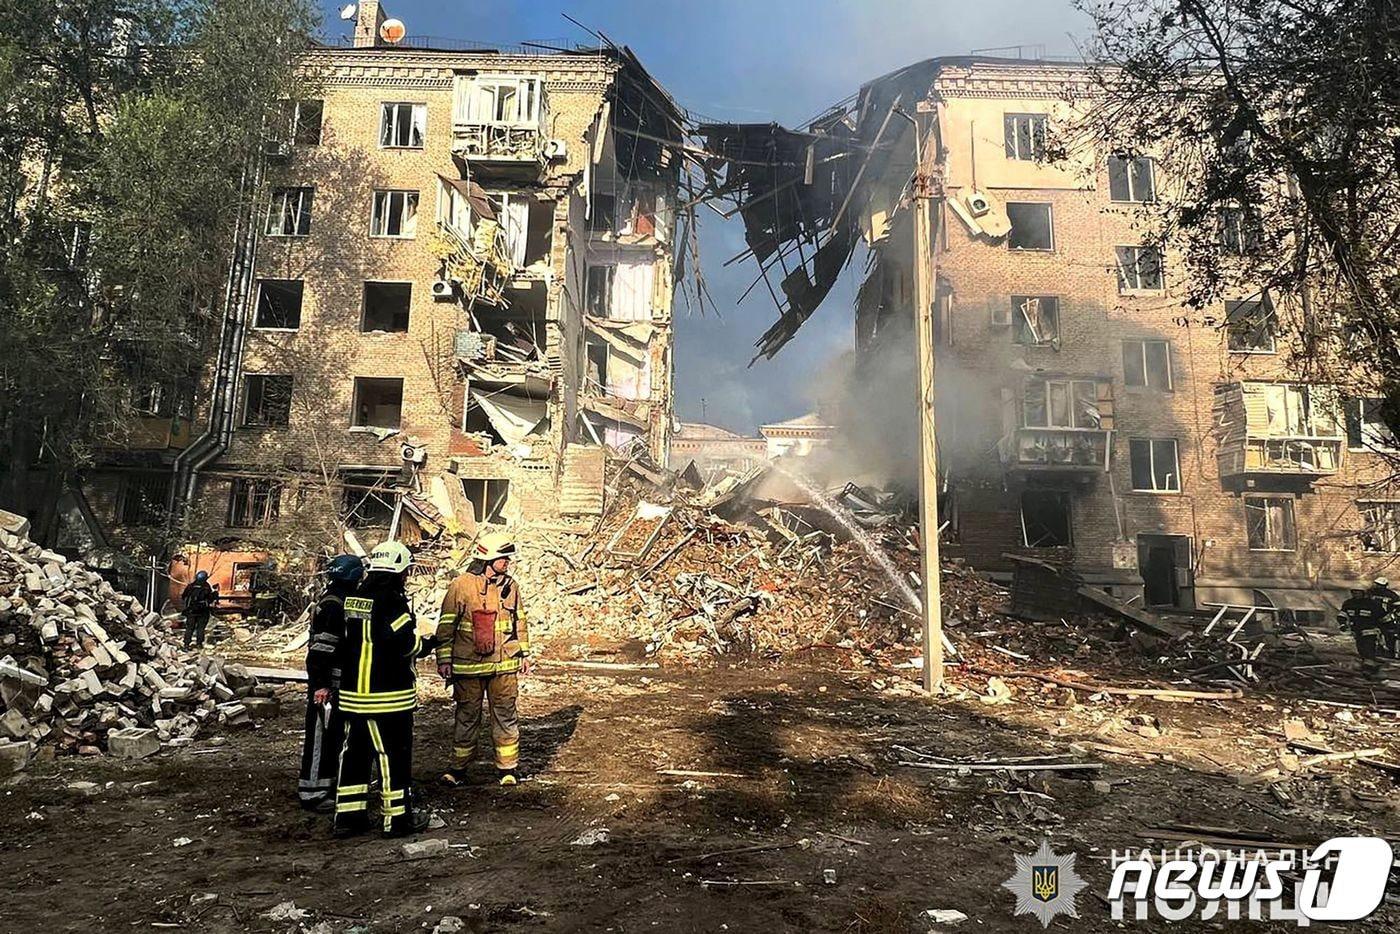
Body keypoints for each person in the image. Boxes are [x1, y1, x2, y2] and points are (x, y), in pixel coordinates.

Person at [332, 541, 430, 838]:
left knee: (354, 757)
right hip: (388, 699)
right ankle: (397, 820)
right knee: (392, 757)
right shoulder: (392, 600)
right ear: (400, 570)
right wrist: (428, 643)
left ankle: (348, 818)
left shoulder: (355, 598)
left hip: (352, 698)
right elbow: (404, 644)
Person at [435, 531, 531, 787]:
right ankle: (458, 769)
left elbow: (519, 622)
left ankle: (507, 770)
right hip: (469, 666)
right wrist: (444, 660)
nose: (508, 562)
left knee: (505, 716)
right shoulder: (461, 586)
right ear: (488, 559)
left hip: (504, 665)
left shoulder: (511, 586)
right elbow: (446, 626)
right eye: (503, 558)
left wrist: (524, 653)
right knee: (467, 716)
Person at [298, 554, 364, 812]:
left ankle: (328, 784)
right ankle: (311, 792)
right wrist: (321, 685)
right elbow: (320, 651)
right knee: (320, 737)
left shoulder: (341, 600)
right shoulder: (334, 604)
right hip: (327, 684)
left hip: (339, 681)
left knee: (335, 736)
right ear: (354, 576)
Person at [1340, 585, 1386, 673]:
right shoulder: (1349, 603)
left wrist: (1387, 628)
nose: (1356, 594)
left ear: (1364, 593)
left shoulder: (1372, 604)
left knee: (1369, 649)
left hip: (1370, 631)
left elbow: (1382, 617)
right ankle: (1368, 667)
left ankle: (1370, 669)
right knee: (1361, 649)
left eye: (1358, 592)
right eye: (1354, 592)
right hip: (1357, 631)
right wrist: (1342, 624)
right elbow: (1342, 615)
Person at [182, 571, 216, 649]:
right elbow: (210, 599)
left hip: (191, 610)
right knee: (200, 628)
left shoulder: (191, 586)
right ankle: (199, 644)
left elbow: (184, 596)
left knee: (190, 628)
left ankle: (186, 644)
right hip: (203, 611)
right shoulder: (206, 587)